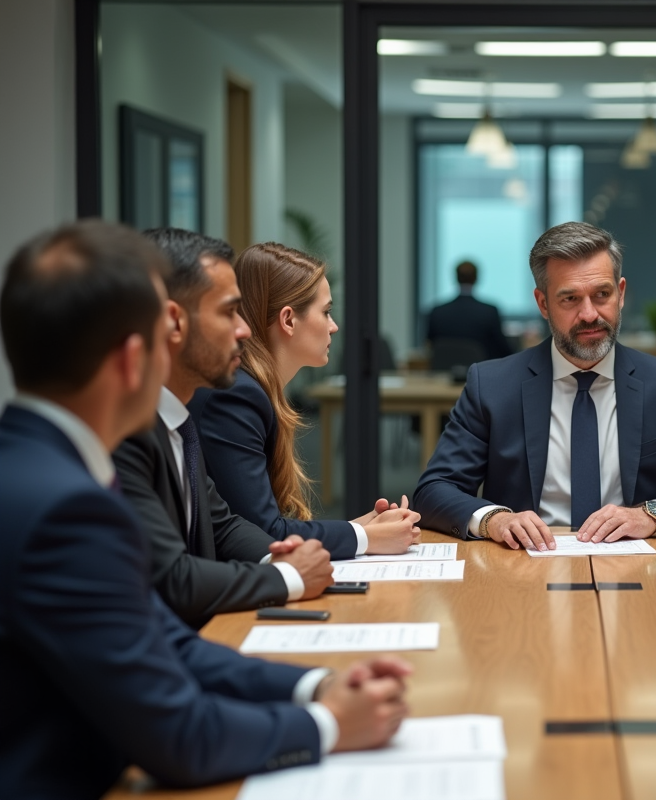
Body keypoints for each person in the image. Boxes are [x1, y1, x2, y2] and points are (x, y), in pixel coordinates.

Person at [0, 221, 411, 797]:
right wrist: (331, 724)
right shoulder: (67, 510)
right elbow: (179, 736)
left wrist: (317, 686)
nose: (245, 333)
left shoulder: (40, 467)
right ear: (135, 355)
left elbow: (165, 639)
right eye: (226, 313)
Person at [414, 222, 656, 550]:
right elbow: (434, 489)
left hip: (638, 567)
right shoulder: (492, 385)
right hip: (523, 571)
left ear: (621, 293)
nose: (589, 314)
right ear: (543, 304)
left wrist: (651, 515)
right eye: (570, 298)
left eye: (602, 295)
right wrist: (494, 519)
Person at [114, 229, 332, 628]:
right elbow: (175, 580)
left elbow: (223, 524)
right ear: (174, 323)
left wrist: (285, 555)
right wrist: (288, 574)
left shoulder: (174, 421)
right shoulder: (123, 437)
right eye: (228, 312)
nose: (244, 330)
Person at [188, 241, 420, 557]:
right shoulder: (236, 396)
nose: (334, 326)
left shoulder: (251, 387)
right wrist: (364, 537)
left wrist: (364, 530)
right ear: (288, 320)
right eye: (325, 312)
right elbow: (267, 533)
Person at [426, 260, 512, 363]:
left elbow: (430, 346)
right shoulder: (489, 312)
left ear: (456, 278)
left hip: (442, 375)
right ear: (476, 278)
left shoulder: (437, 312)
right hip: (481, 374)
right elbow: (502, 348)